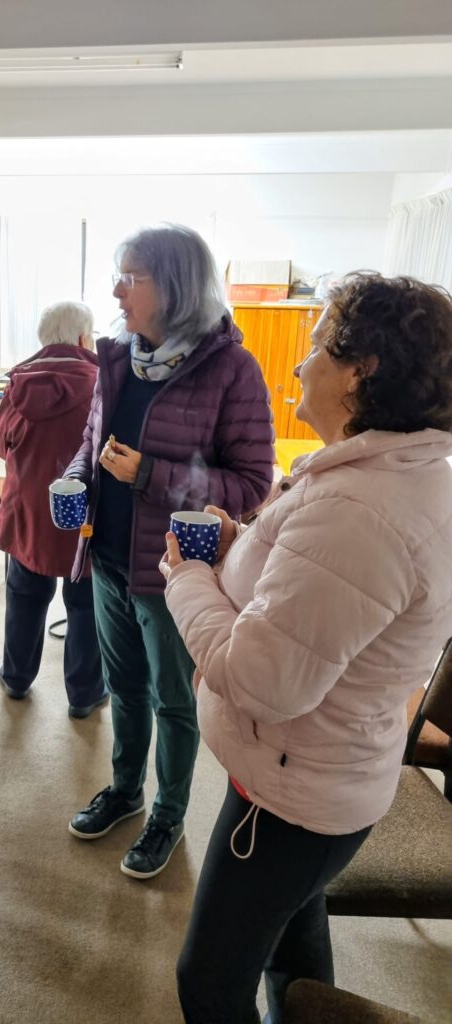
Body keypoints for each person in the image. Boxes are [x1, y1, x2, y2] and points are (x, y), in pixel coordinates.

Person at [161, 272, 452, 1022]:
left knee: (209, 979)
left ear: (364, 371)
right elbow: (308, 596)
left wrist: (187, 576)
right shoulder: (393, 475)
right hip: (313, 768)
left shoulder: (361, 511)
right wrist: (242, 546)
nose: (299, 363)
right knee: (294, 936)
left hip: (297, 792)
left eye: (319, 345)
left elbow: (262, 681)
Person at [66, 224, 274, 879]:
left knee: (173, 701)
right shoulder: (118, 357)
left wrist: (150, 475)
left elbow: (251, 485)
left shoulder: (232, 369)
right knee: (123, 688)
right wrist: (78, 475)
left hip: (174, 571)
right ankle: (127, 793)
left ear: (175, 286)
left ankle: (168, 813)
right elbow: (95, 440)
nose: (116, 290)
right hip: (107, 557)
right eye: (118, 275)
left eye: (132, 276)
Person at [0, 300, 106, 717]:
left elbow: (0, 442)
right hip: (87, 514)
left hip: (29, 510)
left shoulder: (19, 383)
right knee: (87, 604)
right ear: (82, 338)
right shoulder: (104, 383)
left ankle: (16, 678)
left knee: (24, 595)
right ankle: (84, 694)